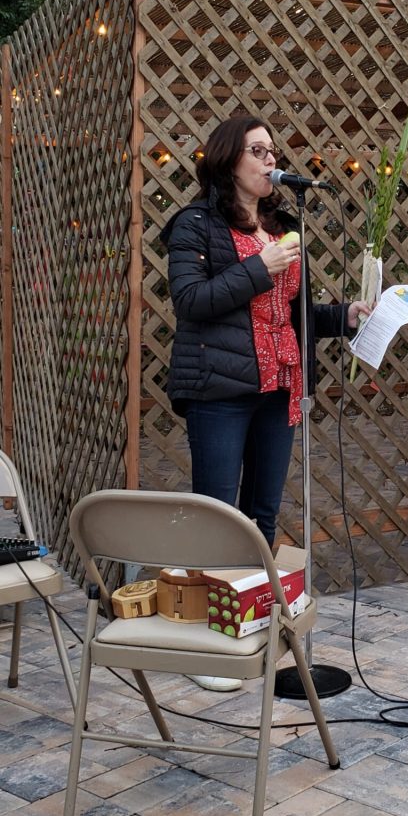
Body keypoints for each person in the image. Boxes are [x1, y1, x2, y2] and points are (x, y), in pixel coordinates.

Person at [161, 114, 369, 689]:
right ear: (229, 160)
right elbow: (191, 301)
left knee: (264, 514)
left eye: (273, 150)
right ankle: (210, 645)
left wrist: (343, 317)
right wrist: (259, 268)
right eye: (258, 150)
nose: (271, 160)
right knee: (218, 513)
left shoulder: (281, 224)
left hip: (281, 387)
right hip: (221, 391)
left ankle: (254, 629)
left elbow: (295, 313)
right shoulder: (195, 225)